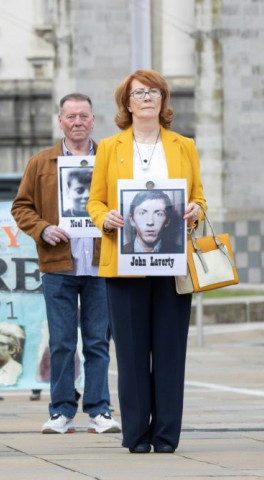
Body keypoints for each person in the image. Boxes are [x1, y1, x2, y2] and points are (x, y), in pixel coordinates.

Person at [87, 70, 205, 453]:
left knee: (170, 352)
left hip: (172, 265)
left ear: (163, 100)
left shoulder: (183, 145)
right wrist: (104, 218)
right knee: (132, 353)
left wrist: (194, 211)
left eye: (154, 92)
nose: (147, 98)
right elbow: (95, 201)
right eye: (140, 93)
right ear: (127, 102)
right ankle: (136, 435)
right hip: (124, 265)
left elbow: (200, 197)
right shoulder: (109, 146)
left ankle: (167, 435)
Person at [11, 93, 120, 435]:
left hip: (101, 264)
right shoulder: (42, 163)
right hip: (59, 265)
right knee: (61, 342)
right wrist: (43, 229)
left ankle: (100, 409)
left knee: (97, 342)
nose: (77, 122)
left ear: (93, 120)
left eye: (83, 116)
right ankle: (61, 410)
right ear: (60, 120)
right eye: (70, 116)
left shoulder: (112, 159)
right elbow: (21, 207)